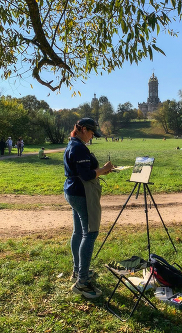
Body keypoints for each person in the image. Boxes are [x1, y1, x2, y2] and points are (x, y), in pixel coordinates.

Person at [63, 118, 113, 299]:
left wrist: (100, 170)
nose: (92, 136)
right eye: (91, 133)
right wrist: (103, 169)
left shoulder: (73, 144)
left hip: (72, 191)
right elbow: (86, 174)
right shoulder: (78, 147)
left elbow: (83, 170)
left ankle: (78, 271)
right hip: (81, 193)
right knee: (90, 233)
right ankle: (82, 283)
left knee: (78, 233)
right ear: (83, 129)